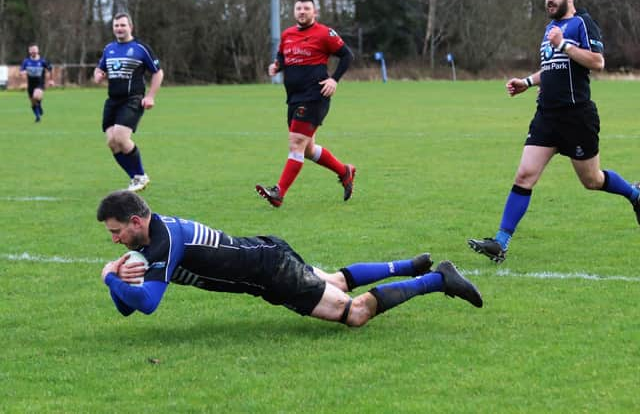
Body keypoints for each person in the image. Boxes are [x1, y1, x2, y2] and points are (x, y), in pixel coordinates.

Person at [97, 190, 483, 326]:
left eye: (116, 232)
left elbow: (146, 305)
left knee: (354, 314)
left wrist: (110, 278)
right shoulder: (150, 240)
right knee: (333, 281)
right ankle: (408, 266)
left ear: (135, 221)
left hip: (270, 271)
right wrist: (118, 277)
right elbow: (127, 309)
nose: (115, 241)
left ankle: (437, 279)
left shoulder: (161, 241)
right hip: (265, 252)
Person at [468, 0, 640, 263]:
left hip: (577, 117)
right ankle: (500, 243)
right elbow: (551, 67)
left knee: (592, 180)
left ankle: (635, 194)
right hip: (547, 116)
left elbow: (598, 62)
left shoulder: (582, 23)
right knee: (524, 176)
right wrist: (527, 82)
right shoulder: (550, 28)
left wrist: (564, 44)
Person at [256, 0, 356, 208]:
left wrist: (334, 80)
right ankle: (344, 171)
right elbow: (283, 58)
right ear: (294, 12)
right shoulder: (287, 35)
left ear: (314, 12)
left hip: (315, 95)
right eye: (299, 8)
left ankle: (278, 192)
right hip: (293, 98)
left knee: (296, 143)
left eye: (306, 8)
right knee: (308, 149)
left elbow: (347, 56)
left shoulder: (324, 33)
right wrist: (276, 67)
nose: (302, 12)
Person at [94, 12, 163, 193]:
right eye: (116, 25)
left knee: (121, 138)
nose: (119, 28)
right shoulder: (109, 48)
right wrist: (98, 75)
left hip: (133, 99)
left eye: (123, 25)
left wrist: (150, 96)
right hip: (112, 100)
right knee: (111, 142)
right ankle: (135, 177)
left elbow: (158, 72)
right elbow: (99, 69)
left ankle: (140, 175)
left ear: (130, 27)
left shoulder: (141, 48)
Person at [19, 43, 53, 123]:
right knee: (33, 103)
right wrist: (23, 80)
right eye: (32, 50)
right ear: (29, 51)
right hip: (30, 85)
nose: (34, 51)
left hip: (40, 84)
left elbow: (50, 69)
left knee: (36, 96)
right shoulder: (26, 61)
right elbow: (22, 71)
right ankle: (38, 117)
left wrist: (51, 80)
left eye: (35, 50)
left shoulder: (42, 61)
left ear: (38, 51)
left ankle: (39, 105)